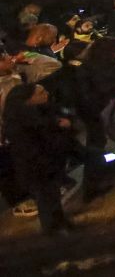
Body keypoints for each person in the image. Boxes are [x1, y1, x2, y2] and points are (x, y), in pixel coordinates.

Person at [2, 83, 74, 234]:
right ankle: (54, 230)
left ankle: (60, 224)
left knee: (52, 197)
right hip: (37, 167)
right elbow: (35, 145)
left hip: (45, 165)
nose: (46, 94)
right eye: (40, 93)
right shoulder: (23, 122)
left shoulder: (37, 114)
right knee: (46, 200)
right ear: (28, 99)